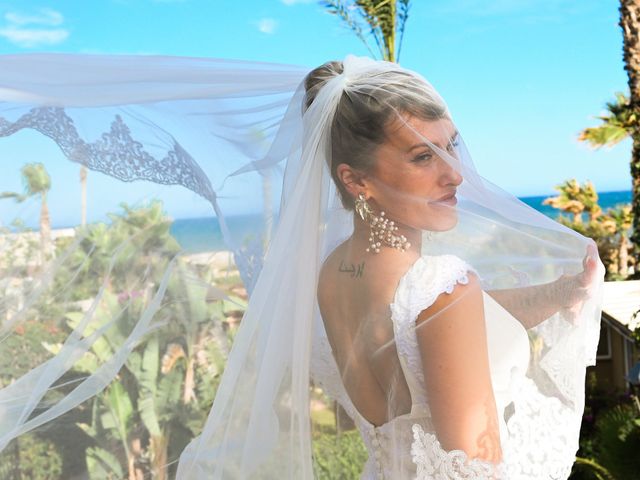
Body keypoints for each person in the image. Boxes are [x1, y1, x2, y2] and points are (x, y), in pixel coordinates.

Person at [0, 54, 603, 479]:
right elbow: (473, 464)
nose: (454, 173)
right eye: (424, 155)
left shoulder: (334, 273)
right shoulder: (441, 289)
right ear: (355, 179)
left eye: (450, 145)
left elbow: (441, 328)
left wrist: (559, 292)